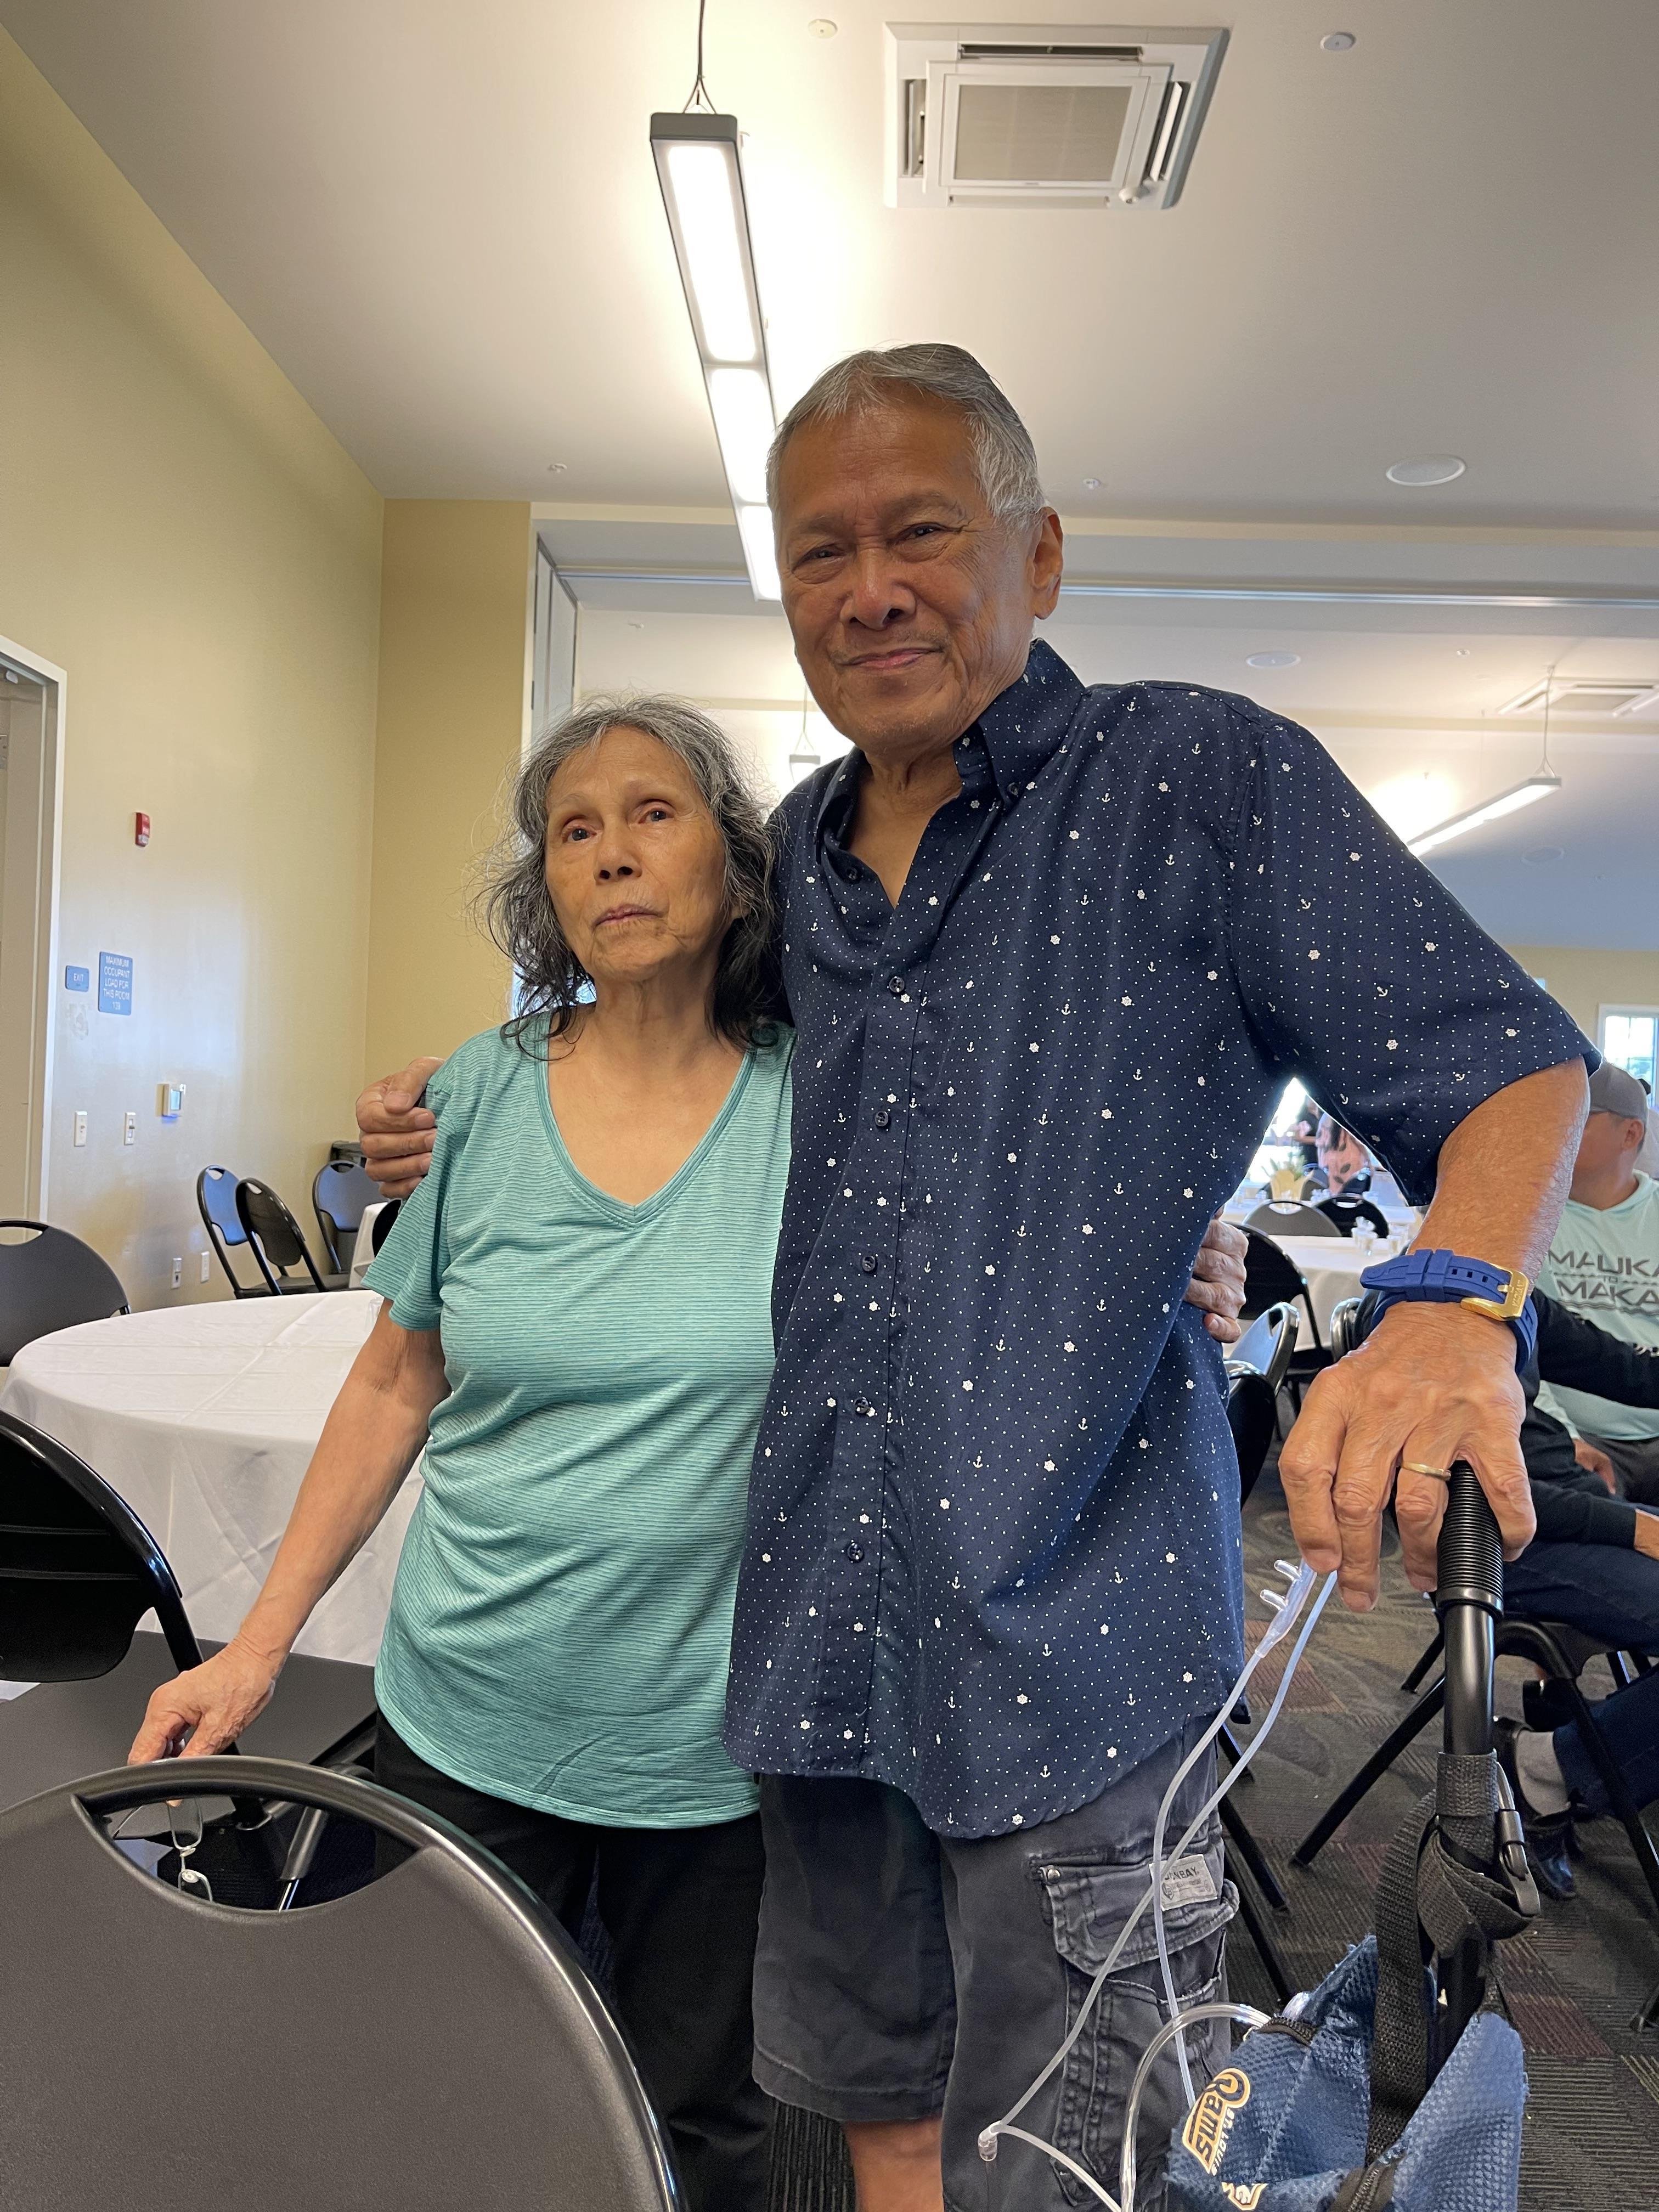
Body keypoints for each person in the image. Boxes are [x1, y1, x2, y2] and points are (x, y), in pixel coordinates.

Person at [360, 345, 1593, 2212]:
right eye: (820, 552)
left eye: (921, 532)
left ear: (1040, 554)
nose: (870, 589)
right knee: (874, 2109)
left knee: (1077, 2166)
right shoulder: (796, 857)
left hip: (1071, 1634)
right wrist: (453, 1100)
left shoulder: (1195, 778)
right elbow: (665, 1015)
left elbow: (1508, 1061)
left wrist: (1450, 1306)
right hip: (825, 1627)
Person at [131, 697, 793, 2211]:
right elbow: (393, 1382)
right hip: (475, 1706)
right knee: (441, 2096)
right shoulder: (476, 1099)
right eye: (574, 831)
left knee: (703, 2125)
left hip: (712, 1743)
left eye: (654, 814)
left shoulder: (813, 1104)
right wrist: (258, 1646)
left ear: (738, 868)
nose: (612, 855)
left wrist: (1198, 1257)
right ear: (545, 888)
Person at [1536, 1059, 1659, 1506]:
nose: (1555, 1128)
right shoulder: (1528, 1218)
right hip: (1576, 1436)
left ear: (1630, 1134)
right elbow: (1516, 1342)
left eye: (1578, 1117)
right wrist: (1562, 1434)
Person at [1313, 1113, 1372, 1198]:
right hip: (1349, 1158)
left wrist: (1322, 1160)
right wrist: (1368, 1160)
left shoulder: (1325, 1117)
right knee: (1351, 1193)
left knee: (1333, 1191)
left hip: (1330, 1159)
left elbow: (1319, 1142)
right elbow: (1358, 1141)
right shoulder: (1347, 1114)